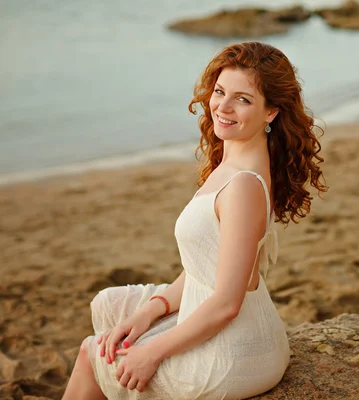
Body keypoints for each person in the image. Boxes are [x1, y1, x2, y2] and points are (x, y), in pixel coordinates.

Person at [62, 41, 327, 400]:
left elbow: (226, 304)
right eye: (220, 92)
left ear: (271, 113)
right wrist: (150, 312)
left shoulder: (243, 186)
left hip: (235, 354)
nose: (223, 107)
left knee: (91, 354)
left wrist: (152, 352)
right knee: (113, 308)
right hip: (230, 322)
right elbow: (207, 264)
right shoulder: (232, 165)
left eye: (243, 99)